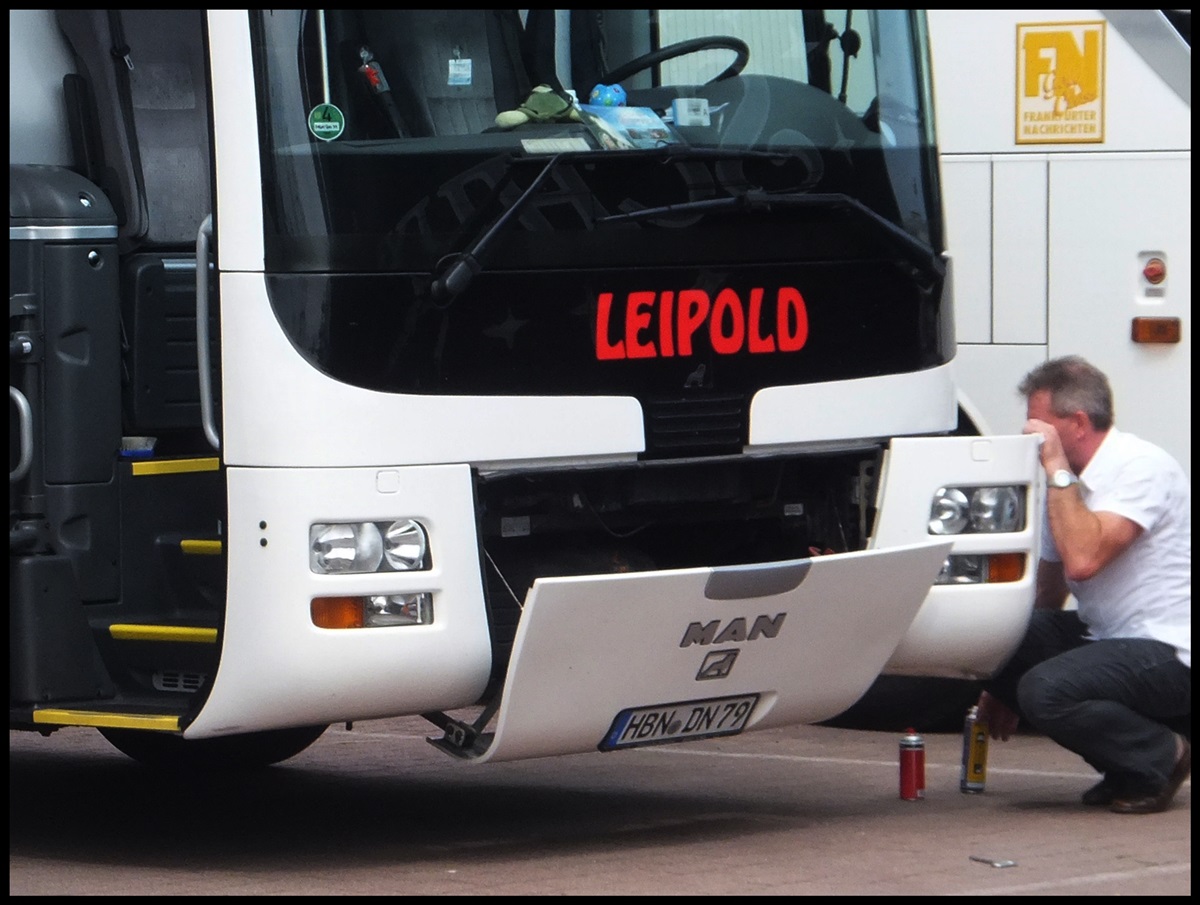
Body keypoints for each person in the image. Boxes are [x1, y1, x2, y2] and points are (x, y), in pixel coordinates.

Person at [977, 355, 1191, 814]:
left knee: (1047, 690)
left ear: (1076, 422)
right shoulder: (1067, 486)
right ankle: (1127, 767)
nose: (1031, 434)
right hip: (1113, 638)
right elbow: (1047, 594)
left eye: (1040, 423)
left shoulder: (1140, 467)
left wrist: (1055, 469)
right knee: (995, 631)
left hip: (1171, 649)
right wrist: (998, 677)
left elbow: (1084, 561)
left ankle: (1161, 756)